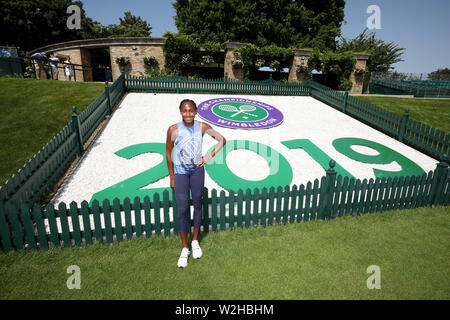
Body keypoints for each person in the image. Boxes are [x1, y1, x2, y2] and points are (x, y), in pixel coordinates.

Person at [166, 99, 226, 268]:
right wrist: (171, 176)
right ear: (180, 112)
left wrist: (209, 156)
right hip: (180, 173)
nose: (188, 114)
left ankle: (194, 241)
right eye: (185, 111)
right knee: (183, 209)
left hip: (197, 172)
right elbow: (168, 153)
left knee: (198, 205)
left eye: (191, 111)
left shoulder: (202, 127)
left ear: (196, 111)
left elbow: (222, 140)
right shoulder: (173, 129)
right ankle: (184, 248)